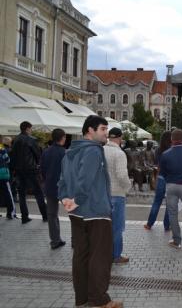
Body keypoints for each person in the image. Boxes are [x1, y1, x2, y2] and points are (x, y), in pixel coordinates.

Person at [58, 115, 122, 308]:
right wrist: (77, 200)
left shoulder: (69, 151)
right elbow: (85, 181)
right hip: (96, 211)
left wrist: (68, 202)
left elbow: (61, 182)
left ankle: (83, 300)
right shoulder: (93, 151)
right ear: (90, 131)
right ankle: (98, 300)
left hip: (76, 213)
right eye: (103, 129)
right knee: (100, 256)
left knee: (81, 256)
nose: (106, 133)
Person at [104, 128, 132, 264]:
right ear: (120, 138)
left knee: (104, 226)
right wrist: (127, 187)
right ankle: (116, 255)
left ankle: (105, 252)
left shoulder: (101, 150)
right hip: (117, 194)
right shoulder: (119, 153)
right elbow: (122, 175)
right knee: (117, 227)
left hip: (103, 193)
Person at [40, 128, 67, 249]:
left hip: (50, 186)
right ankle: (75, 241)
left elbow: (42, 170)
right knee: (74, 214)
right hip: (64, 188)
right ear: (63, 138)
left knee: (52, 215)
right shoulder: (65, 153)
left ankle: (55, 240)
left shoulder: (46, 151)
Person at [144, 131, 171, 231]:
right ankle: (167, 225)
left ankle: (149, 224)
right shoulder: (172, 149)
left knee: (157, 202)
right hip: (170, 179)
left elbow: (157, 165)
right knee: (169, 203)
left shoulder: (158, 150)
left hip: (161, 177)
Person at [0, 139, 15, 219]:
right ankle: (10, 213)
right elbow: (8, 160)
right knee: (7, 193)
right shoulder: (1, 149)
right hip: (3, 174)